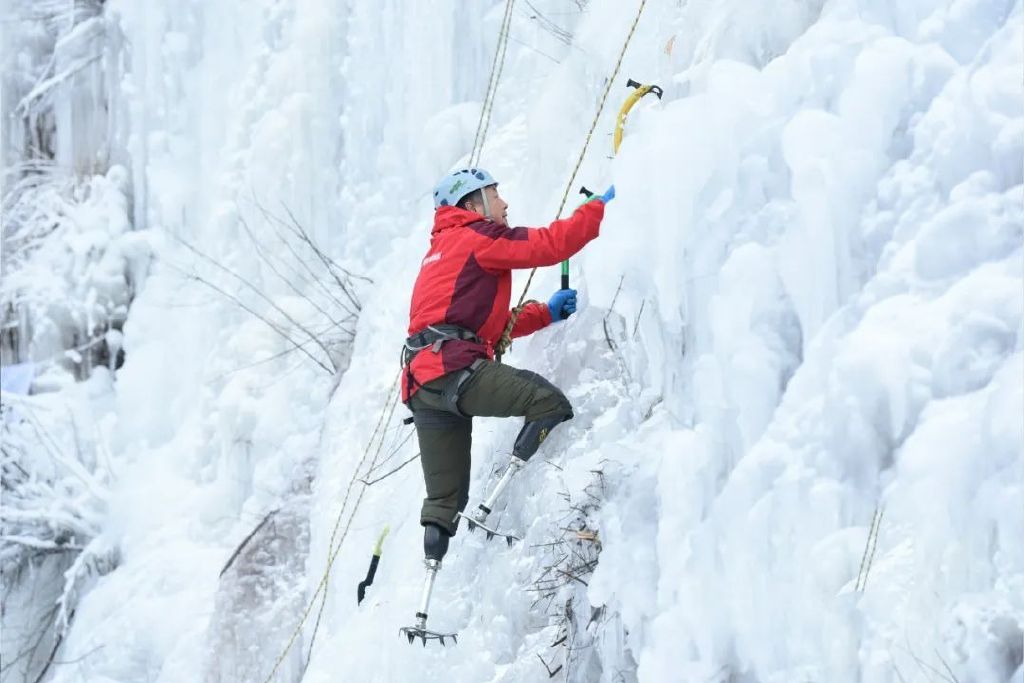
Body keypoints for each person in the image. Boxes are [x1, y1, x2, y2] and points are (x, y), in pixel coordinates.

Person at [401, 167, 614, 563]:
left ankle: (424, 604)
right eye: (495, 195)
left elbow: (482, 326)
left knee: (443, 502)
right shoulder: (477, 236)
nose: (504, 203)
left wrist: (545, 314)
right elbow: (552, 245)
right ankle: (496, 501)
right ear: (472, 204)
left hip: (421, 386)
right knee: (549, 402)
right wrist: (597, 207)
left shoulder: (440, 251)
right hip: (454, 370)